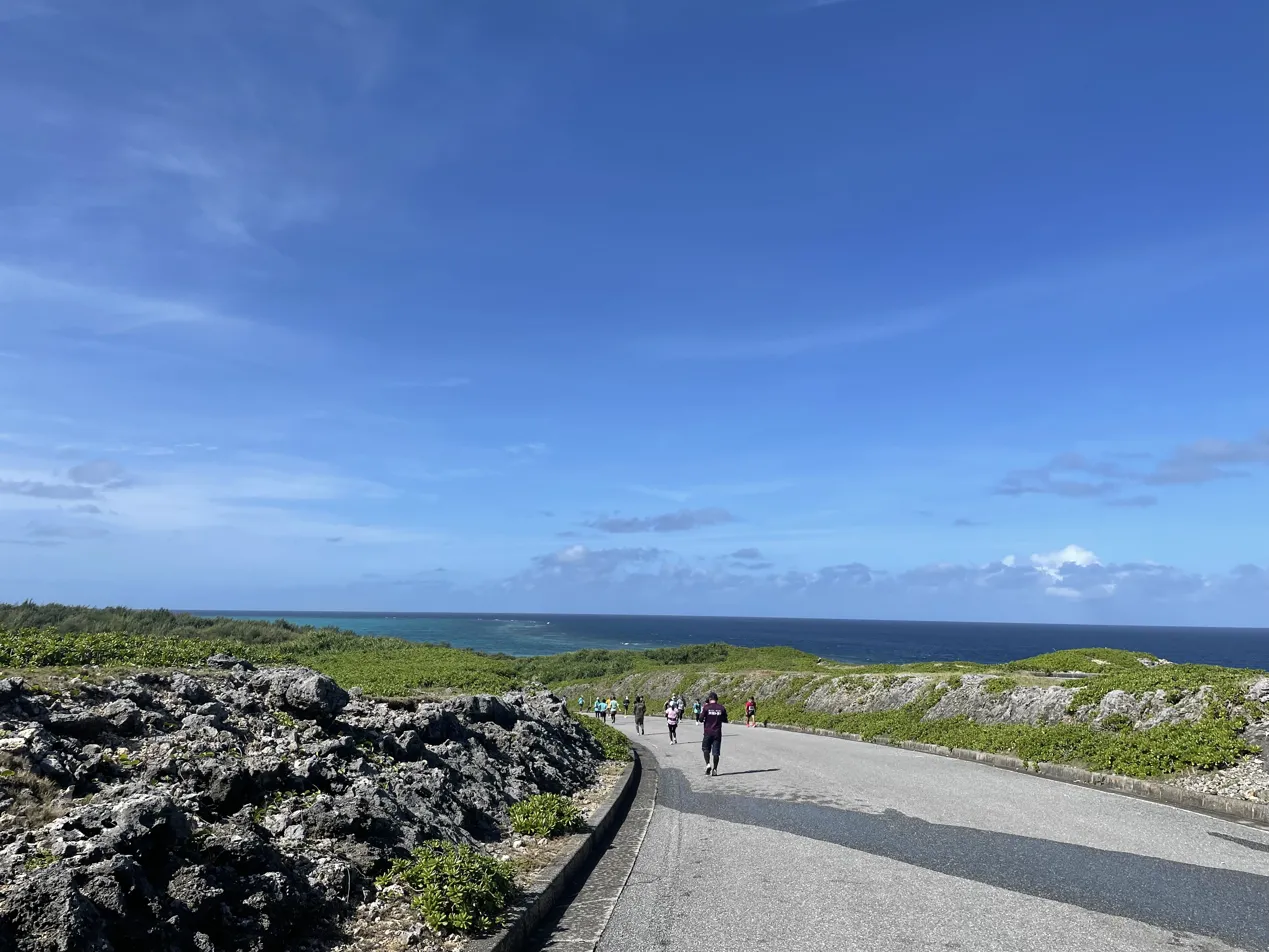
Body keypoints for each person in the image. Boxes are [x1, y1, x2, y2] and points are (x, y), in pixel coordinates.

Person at [700, 690, 728, 776]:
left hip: (708, 732)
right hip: (717, 733)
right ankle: (715, 769)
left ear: (709, 699)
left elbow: (700, 719)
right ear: (717, 699)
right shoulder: (721, 708)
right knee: (716, 752)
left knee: (705, 749)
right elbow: (725, 719)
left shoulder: (706, 707)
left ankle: (708, 764)